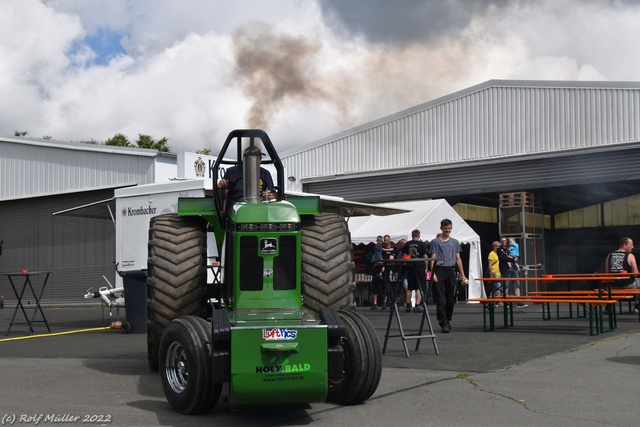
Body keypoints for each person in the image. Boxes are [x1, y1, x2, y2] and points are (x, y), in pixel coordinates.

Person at [429, 219, 467, 333]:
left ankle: (447, 319)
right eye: (445, 228)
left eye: (449, 228)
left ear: (451, 228)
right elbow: (432, 259)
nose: (447, 230)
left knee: (450, 299)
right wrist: (433, 273)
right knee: (441, 299)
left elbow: (458, 259)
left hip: (450, 270)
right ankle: (443, 322)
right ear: (441, 228)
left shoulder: (455, 242)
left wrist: (463, 275)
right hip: (440, 269)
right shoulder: (435, 242)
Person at [605, 237, 640, 313]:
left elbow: (607, 272)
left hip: (613, 285)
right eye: (631, 244)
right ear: (624, 245)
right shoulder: (630, 256)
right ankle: (637, 305)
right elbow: (635, 273)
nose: (633, 247)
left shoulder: (610, 255)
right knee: (638, 281)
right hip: (627, 284)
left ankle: (608, 307)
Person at [402, 230, 429, 313]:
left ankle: (408, 305)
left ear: (412, 235)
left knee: (410, 287)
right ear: (419, 236)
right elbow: (425, 257)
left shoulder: (407, 244)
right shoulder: (421, 244)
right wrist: (426, 268)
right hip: (419, 267)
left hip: (410, 267)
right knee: (419, 287)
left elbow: (404, 256)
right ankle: (417, 305)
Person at [497, 237, 527, 307]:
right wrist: (513, 260)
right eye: (502, 241)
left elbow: (518, 255)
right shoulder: (499, 249)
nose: (504, 242)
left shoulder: (510, 247)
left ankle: (518, 301)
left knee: (517, 284)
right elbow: (503, 258)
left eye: (505, 241)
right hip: (505, 269)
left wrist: (517, 258)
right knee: (506, 285)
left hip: (514, 268)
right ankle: (505, 301)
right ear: (500, 242)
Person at [392, 239, 409, 310]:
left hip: (408, 270)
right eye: (403, 244)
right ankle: (407, 303)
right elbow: (395, 259)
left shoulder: (409, 250)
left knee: (408, 288)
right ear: (400, 245)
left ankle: (407, 303)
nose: (404, 246)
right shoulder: (398, 251)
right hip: (401, 271)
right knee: (405, 288)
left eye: (405, 244)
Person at [370, 236, 384, 309]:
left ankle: (381, 303)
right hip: (378, 267)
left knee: (381, 286)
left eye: (381, 241)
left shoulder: (381, 248)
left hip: (380, 267)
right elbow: (378, 258)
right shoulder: (377, 247)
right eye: (379, 241)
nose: (380, 243)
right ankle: (375, 303)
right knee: (375, 286)